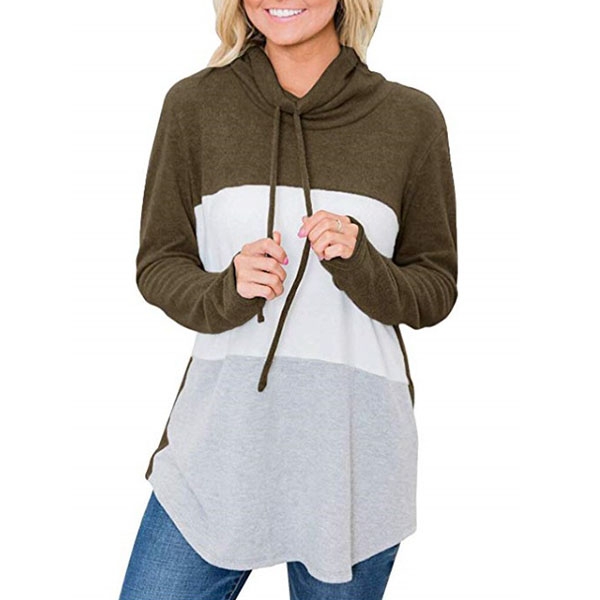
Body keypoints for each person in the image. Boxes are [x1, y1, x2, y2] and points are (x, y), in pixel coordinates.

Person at [118, 1, 458, 598]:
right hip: (218, 449)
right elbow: (158, 265)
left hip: (352, 456)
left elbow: (435, 289)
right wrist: (227, 288)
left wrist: (361, 264)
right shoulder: (194, 106)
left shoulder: (410, 119)